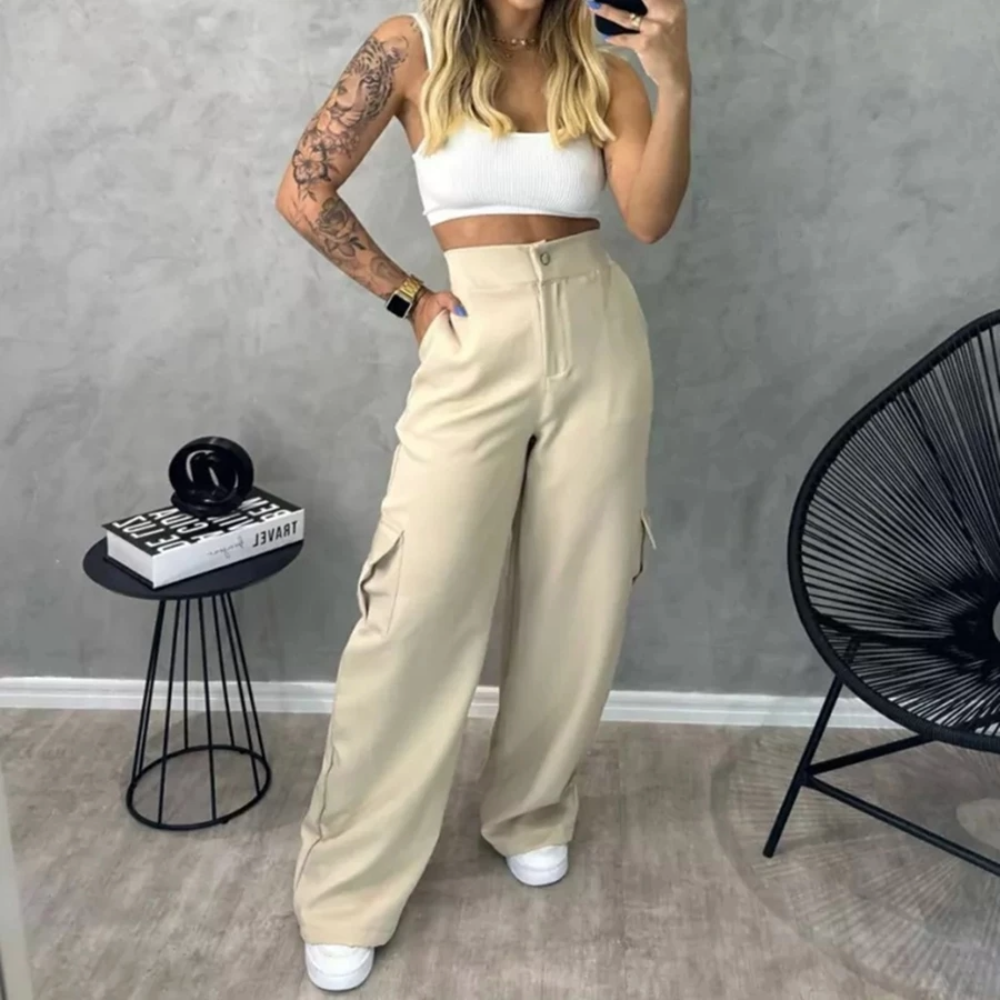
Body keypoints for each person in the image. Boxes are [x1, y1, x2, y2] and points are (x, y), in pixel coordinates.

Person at [274, 0, 691, 990]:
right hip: (474, 333)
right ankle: (348, 887)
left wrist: (673, 78)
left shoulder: (602, 67)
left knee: (580, 597)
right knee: (415, 608)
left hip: (599, 331)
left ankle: (530, 810)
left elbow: (646, 217)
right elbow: (303, 190)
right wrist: (409, 298)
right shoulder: (409, 46)